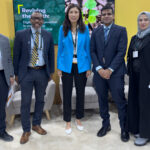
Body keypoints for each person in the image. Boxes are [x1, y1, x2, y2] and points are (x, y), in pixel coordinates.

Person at [13, 11, 54, 144]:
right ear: (30, 20)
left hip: (42, 72)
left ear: (43, 21)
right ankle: (26, 130)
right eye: (35, 18)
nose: (37, 21)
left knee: (40, 100)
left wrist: (50, 73)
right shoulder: (20, 35)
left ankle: (36, 124)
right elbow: (16, 55)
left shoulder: (48, 35)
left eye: (40, 19)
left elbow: (51, 55)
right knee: (25, 102)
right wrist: (17, 74)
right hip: (27, 73)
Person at [90, 4, 129, 142]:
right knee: (102, 99)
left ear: (113, 15)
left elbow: (121, 52)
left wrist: (110, 69)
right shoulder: (95, 31)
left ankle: (124, 128)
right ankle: (105, 125)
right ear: (101, 16)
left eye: (109, 14)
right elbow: (92, 51)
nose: (106, 16)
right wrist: (99, 68)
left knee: (119, 101)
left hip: (116, 73)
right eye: (104, 14)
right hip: (100, 73)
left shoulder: (121, 30)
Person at [57, 4, 91, 134]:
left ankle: (78, 118)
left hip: (81, 66)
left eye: (76, 12)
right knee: (66, 93)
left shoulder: (85, 28)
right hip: (66, 66)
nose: (73, 14)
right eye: (71, 12)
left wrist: (89, 67)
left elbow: (87, 48)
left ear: (79, 14)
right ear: (68, 14)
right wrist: (59, 67)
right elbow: (60, 49)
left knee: (80, 93)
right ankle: (67, 121)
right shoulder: (62, 29)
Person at [127, 11, 150, 146]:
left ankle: (145, 133)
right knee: (135, 101)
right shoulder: (134, 38)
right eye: (140, 20)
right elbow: (130, 55)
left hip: (147, 77)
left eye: (145, 20)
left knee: (146, 104)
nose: (142, 22)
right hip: (135, 77)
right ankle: (136, 128)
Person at [0, 34, 14, 142]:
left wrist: (11, 75)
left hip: (2, 75)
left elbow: (9, 60)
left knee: (1, 106)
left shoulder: (4, 40)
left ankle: (1, 131)